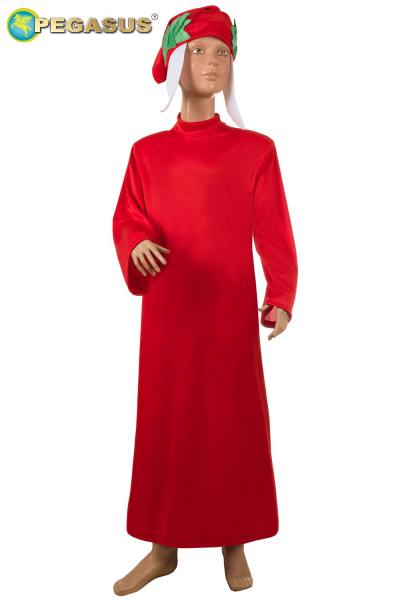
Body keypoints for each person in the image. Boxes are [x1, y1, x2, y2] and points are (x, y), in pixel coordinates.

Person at [112, 5, 298, 595]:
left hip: (227, 316)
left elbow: (273, 228)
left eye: (222, 52)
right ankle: (162, 548)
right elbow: (128, 216)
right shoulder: (146, 153)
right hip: (169, 316)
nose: (214, 62)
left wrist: (281, 292)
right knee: (169, 423)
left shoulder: (255, 150)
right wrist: (137, 242)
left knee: (229, 424)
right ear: (175, 61)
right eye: (199, 50)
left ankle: (234, 543)